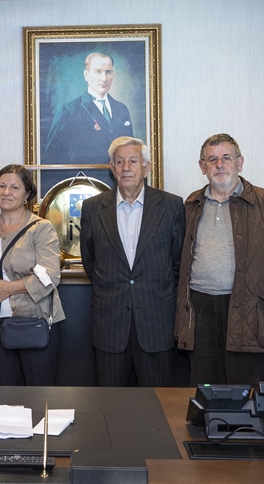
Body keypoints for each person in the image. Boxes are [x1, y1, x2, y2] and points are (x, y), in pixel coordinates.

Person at [176, 134, 264, 387]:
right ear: (202, 167)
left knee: (246, 391)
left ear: (240, 162)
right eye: (212, 159)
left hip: (249, 310)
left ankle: (245, 429)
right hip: (200, 311)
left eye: (226, 158)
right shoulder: (192, 204)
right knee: (205, 388)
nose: (219, 165)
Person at [79, 136, 185, 387]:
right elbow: (90, 262)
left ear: (146, 168)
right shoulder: (93, 208)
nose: (126, 167)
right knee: (111, 406)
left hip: (156, 324)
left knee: (158, 405)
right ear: (112, 167)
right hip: (110, 325)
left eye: (133, 161)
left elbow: (178, 263)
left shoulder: (171, 206)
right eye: (120, 161)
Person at [0, 165, 65, 385]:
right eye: (2, 186)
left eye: (14, 187)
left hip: (34, 323)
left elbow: (50, 276)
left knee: (39, 394)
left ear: (27, 193)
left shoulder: (41, 228)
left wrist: (9, 288)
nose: (6, 191)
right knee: (5, 398)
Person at [42, 52, 134, 164]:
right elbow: (52, 157)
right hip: (84, 179)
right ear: (86, 75)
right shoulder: (68, 110)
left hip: (119, 180)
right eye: (98, 72)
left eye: (108, 72)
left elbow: (131, 152)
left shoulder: (122, 109)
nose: (104, 78)